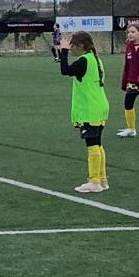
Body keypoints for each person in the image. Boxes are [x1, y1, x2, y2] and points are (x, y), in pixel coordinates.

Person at [58, 30, 111, 193]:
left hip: (90, 108)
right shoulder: (96, 59)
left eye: (72, 45)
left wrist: (63, 52)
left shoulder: (84, 61)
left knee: (92, 145)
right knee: (98, 143)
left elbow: (65, 70)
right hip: (99, 106)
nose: (71, 48)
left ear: (81, 45)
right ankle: (102, 179)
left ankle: (94, 181)